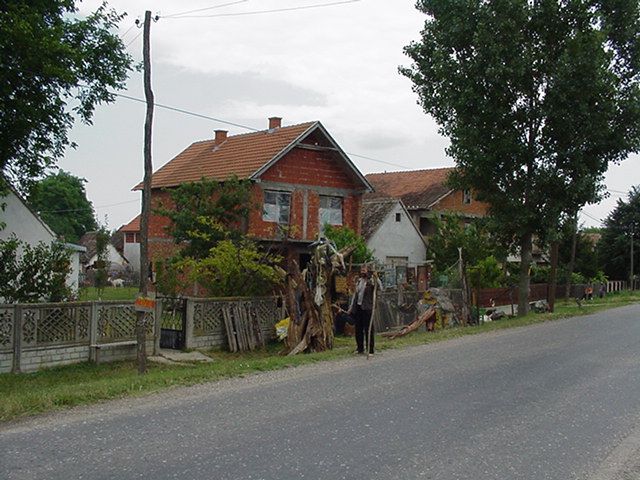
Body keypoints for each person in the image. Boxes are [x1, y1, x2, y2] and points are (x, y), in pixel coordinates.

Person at [348, 264, 383, 355]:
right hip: (358, 308)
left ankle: (370, 349)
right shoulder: (359, 281)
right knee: (358, 329)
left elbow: (380, 287)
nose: (362, 271)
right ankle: (360, 349)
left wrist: (376, 278)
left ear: (368, 271)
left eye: (364, 270)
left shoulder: (371, 281)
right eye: (361, 270)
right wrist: (351, 307)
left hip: (367, 308)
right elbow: (355, 295)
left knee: (369, 329)